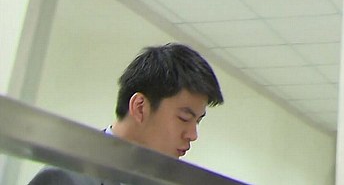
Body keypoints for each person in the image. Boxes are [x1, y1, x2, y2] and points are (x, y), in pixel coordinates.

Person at [28, 43, 224, 185]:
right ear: (140, 107)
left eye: (198, 121)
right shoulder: (66, 177)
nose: (193, 135)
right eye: (184, 118)